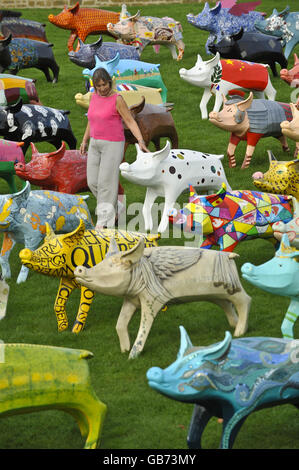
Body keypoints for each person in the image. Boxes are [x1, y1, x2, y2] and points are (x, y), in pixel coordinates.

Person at [80, 67, 149, 230]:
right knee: (92, 182)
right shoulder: (93, 97)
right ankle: (117, 207)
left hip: (113, 144)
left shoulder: (117, 99)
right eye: (99, 86)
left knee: (106, 183)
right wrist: (84, 140)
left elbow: (130, 121)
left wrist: (141, 140)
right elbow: (91, 120)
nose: (102, 89)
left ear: (109, 82)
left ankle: (103, 221)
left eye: (104, 85)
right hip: (95, 144)